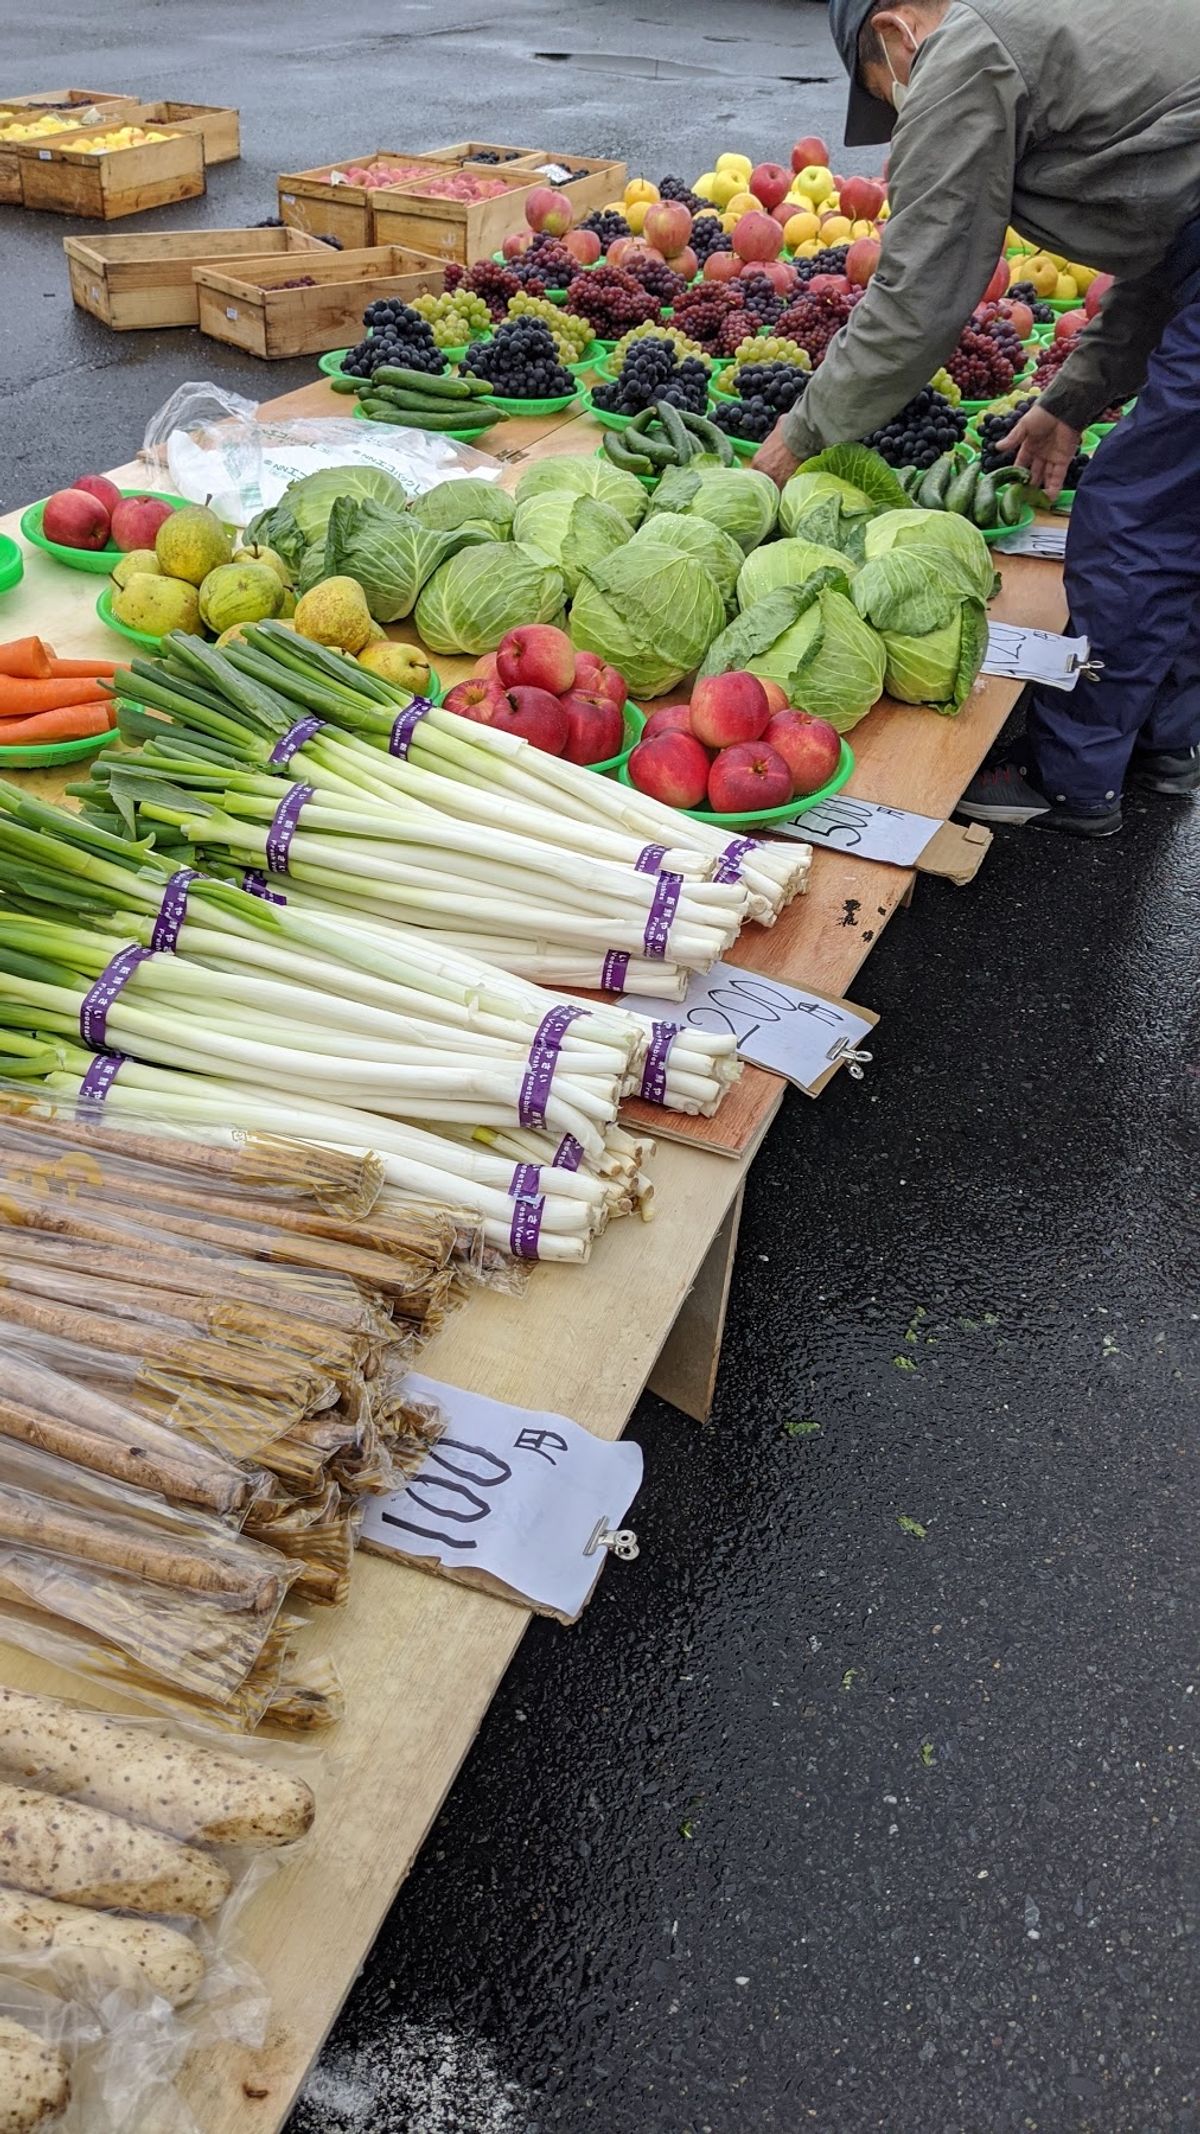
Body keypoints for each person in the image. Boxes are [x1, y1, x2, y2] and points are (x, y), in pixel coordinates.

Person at [752, 0, 1200, 836]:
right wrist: (1068, 402)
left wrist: (795, 439)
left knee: (1130, 516)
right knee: (1176, 506)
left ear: (893, 34)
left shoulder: (965, 49)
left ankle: (1073, 779)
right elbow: (1168, 258)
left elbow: (921, 294)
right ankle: (1164, 743)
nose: (899, 115)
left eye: (886, 96)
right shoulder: (1044, 24)